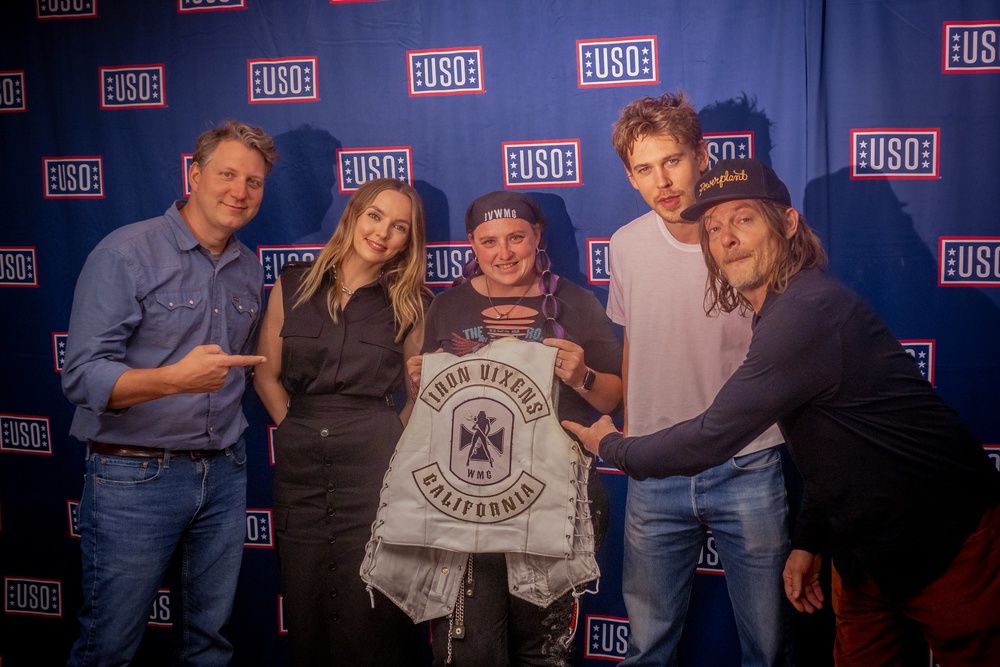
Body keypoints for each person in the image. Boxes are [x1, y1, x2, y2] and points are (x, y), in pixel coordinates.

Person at [565, 158, 1000, 666]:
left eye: (744, 218)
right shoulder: (784, 308)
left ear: (788, 224)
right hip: (863, 551)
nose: (726, 237)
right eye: (713, 227)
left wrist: (610, 444)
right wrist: (810, 540)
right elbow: (834, 443)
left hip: (946, 540)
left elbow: (711, 437)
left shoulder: (804, 312)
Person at [61, 120, 277, 666]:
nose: (240, 191)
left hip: (224, 473)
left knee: (208, 644)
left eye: (253, 182)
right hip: (135, 477)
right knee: (107, 645)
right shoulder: (126, 253)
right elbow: (81, 377)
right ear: (195, 174)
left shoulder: (248, 267)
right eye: (227, 174)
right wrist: (173, 379)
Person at [608, 93, 789, 666]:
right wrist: (635, 434)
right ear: (630, 177)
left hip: (748, 464)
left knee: (769, 645)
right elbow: (633, 337)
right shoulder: (625, 244)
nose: (662, 181)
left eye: (673, 161)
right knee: (646, 646)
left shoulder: (745, 235)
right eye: (644, 168)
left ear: (702, 156)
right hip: (656, 468)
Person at [406, 191, 623, 666]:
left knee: (542, 652)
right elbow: (420, 422)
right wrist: (420, 386)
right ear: (472, 245)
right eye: (489, 242)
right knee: (470, 648)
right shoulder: (446, 308)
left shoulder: (577, 303)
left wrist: (581, 376)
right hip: (469, 504)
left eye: (516, 238)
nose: (503, 253)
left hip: (558, 498)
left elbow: (613, 397)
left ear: (537, 236)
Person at [253, 177, 429, 666]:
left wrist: (390, 440)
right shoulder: (293, 283)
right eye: (375, 216)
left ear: (408, 242)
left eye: (400, 227)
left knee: (372, 609)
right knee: (307, 594)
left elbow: (421, 391)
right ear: (353, 216)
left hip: (373, 463)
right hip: (301, 461)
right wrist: (293, 427)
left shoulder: (412, 302)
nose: (383, 233)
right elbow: (267, 375)